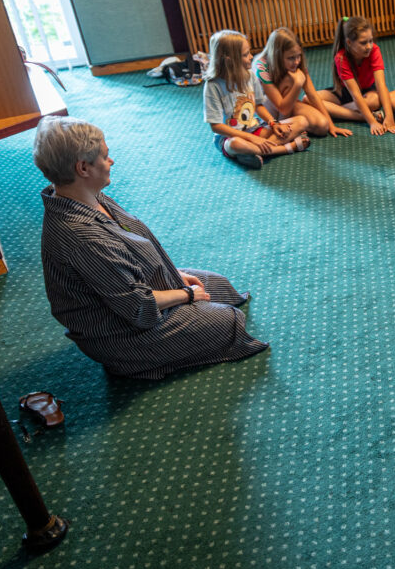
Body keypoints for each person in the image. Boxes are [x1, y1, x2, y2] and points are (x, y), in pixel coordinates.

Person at [34, 117, 268, 380]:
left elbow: (130, 251)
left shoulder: (83, 194)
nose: (111, 162)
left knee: (220, 287)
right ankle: (134, 362)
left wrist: (175, 276)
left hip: (135, 293)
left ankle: (184, 316)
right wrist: (186, 295)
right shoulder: (82, 237)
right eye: (106, 156)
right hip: (122, 330)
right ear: (83, 168)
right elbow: (139, 307)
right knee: (228, 321)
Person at [203, 29, 310, 170]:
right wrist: (252, 139)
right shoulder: (213, 85)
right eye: (246, 54)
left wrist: (273, 123)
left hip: (255, 129)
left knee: (301, 121)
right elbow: (216, 126)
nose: (251, 57)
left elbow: (258, 105)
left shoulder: (250, 76)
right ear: (230, 59)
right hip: (230, 138)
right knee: (236, 145)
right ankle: (285, 149)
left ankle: (253, 152)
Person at [253, 27, 353, 138]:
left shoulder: (295, 63)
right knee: (290, 80)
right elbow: (283, 108)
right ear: (277, 55)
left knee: (322, 126)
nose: (296, 61)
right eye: (291, 58)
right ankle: (284, 130)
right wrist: (297, 84)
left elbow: (313, 95)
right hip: (269, 114)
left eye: (298, 56)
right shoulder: (261, 66)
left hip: (288, 104)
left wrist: (331, 125)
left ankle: (293, 127)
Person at [316, 16, 395, 135]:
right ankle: (357, 116)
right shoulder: (341, 58)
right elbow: (355, 95)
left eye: (371, 41)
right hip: (345, 92)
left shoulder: (374, 51)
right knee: (308, 99)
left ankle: (335, 111)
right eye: (363, 43)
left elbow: (381, 86)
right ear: (349, 43)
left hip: (367, 92)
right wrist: (372, 121)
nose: (369, 46)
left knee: (375, 100)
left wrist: (389, 117)